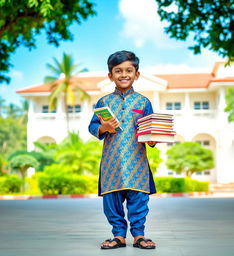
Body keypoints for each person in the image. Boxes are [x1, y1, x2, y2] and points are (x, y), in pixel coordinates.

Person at [88, 50, 157, 250]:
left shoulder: (143, 102)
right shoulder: (104, 102)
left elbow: (149, 129)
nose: (124, 74)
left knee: (138, 199)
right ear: (110, 75)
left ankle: (139, 235)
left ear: (137, 74)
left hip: (137, 162)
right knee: (111, 200)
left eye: (129, 70)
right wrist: (103, 128)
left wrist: (152, 140)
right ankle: (118, 235)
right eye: (118, 71)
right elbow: (92, 127)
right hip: (111, 163)